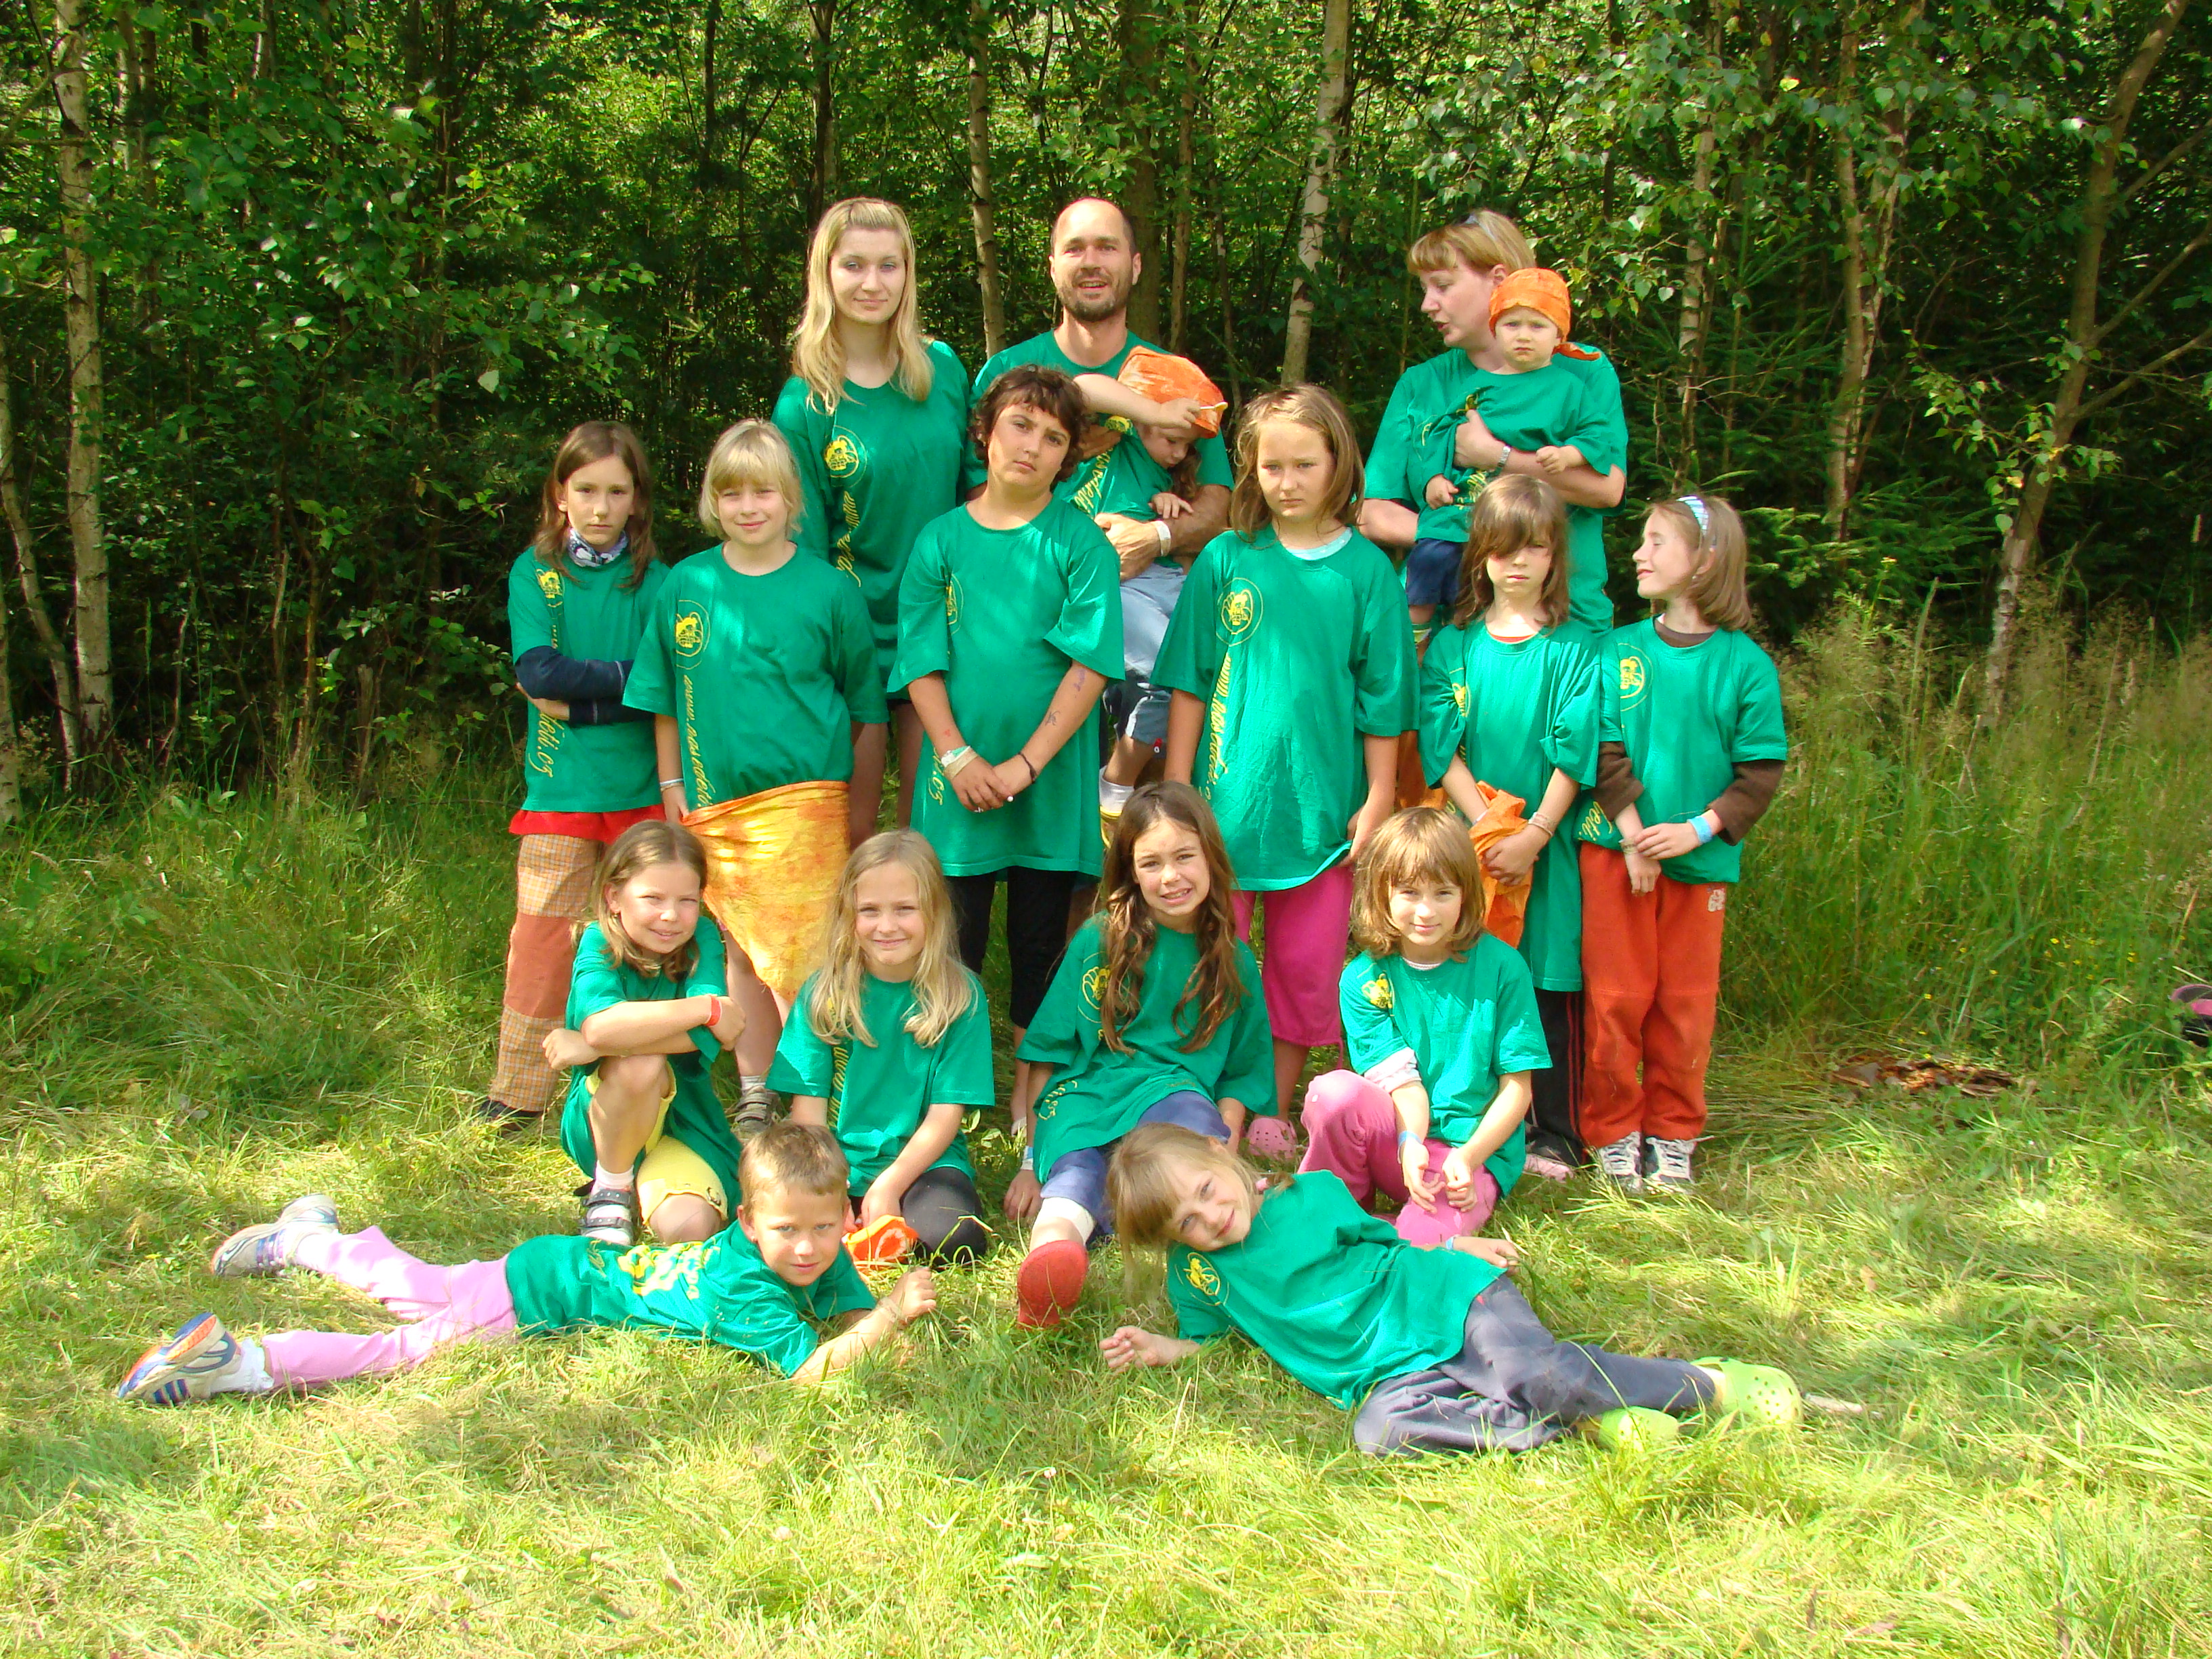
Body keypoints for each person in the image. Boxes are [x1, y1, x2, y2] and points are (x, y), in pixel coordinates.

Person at [1097, 1126, 1801, 1455]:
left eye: (1206, 1192)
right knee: (1381, 1434)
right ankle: (1584, 1421)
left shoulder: (1309, 1195)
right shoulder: (1199, 1275)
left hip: (1445, 1301)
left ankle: (1711, 1384)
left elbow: (1387, 1241)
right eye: (1186, 1224)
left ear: (1220, 1153)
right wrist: (1166, 1347)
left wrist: (1456, 1245)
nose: (1211, 1219)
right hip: (1388, 1374)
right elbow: (1213, 1339)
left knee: (1536, 1372)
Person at [114, 1124, 937, 1404]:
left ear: (844, 1218)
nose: (808, 1248)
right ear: (748, 1223)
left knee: (420, 1286)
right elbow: (810, 1373)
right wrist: (889, 1317)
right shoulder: (744, 1283)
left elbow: (842, 1307)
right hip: (544, 1296)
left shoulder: (810, 1252)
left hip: (559, 1262)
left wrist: (872, 1323)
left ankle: (306, 1237)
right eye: (788, 1230)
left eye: (824, 1228)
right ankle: (243, 1364)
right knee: (400, 1351)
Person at [1156, 384, 1416, 1118]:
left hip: (1322, 818)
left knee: (1305, 969)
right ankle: (1204, 1096)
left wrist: (1379, 796)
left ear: (1339, 464)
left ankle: (1270, 1106)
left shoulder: (1366, 571)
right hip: (1225, 811)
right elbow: (1188, 683)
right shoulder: (1225, 559)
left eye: (1306, 465)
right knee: (1210, 962)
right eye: (1272, 466)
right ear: (1251, 469)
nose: (1288, 482)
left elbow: (1383, 701)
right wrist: (1177, 792)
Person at [625, 420, 888, 1137]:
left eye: (763, 492)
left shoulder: (829, 590)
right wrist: (673, 790)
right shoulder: (687, 585)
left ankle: (817, 1093)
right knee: (740, 948)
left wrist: (860, 814)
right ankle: (756, 1088)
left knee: (809, 954)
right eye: (731, 493)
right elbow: (663, 699)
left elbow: (867, 711)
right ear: (712, 501)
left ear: (791, 498)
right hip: (717, 811)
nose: (747, 507)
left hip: (807, 808)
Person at [892, 365, 1122, 1129]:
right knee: (949, 939)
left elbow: (1090, 666)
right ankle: (943, 1096)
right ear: (985, 432)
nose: (1033, 446)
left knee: (1039, 942)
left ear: (1069, 458)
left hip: (1047, 785)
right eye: (1020, 425)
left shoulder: (1080, 543)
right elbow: (920, 660)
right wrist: (957, 757)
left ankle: (1033, 1100)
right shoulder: (940, 540)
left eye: (1054, 438)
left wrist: (1026, 764)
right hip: (954, 784)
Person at [1575, 493, 1788, 1193]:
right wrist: (1636, 837)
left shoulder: (1746, 665)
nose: (1639, 553)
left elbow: (1759, 773)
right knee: (1615, 1000)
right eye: (1641, 539)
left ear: (1706, 559)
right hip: (1616, 854)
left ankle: (1673, 1133)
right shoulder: (1617, 649)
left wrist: (1696, 829)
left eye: (1657, 541)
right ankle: (1613, 1131)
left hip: (1700, 867)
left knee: (1685, 1006)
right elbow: (1600, 747)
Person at [1004, 783, 1275, 1328]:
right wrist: (1031, 1163)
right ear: (1130, 872)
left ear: (1211, 856)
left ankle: (1222, 1244)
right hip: (1088, 1092)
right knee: (1075, 1173)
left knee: (1187, 1142)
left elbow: (1240, 1074)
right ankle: (1053, 1258)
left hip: (1171, 1095)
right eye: (1151, 864)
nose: (1170, 877)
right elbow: (1049, 1052)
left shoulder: (1234, 960)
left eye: (1184, 857)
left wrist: (1223, 1153)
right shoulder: (1101, 938)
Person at [480, 422, 667, 1132]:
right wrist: (622, 687)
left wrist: (582, 702)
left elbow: (662, 683)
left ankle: (641, 1087)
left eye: (617, 492)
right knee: (541, 939)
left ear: (636, 499)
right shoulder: (537, 572)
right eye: (586, 490)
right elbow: (538, 672)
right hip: (559, 790)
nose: (600, 507)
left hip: (643, 789)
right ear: (560, 494)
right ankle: (520, 1090)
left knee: (645, 938)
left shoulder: (659, 580)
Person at [1418, 476, 1599, 1174]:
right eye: (1502, 548)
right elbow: (1442, 748)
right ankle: (1479, 1122)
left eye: (1534, 548)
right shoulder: (1453, 646)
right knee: (1474, 976)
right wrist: (1492, 831)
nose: (1518, 562)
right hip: (1472, 845)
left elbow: (1576, 748)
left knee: (1547, 977)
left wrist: (1534, 835)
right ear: (1481, 555)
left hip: (1547, 847)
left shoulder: (1577, 648)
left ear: (1556, 555)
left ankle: (1556, 1130)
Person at [775, 198, 972, 827]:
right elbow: (801, 544)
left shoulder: (942, 369)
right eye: (854, 265)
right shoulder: (804, 403)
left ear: (908, 273)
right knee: (850, 828)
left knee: (927, 826)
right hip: (851, 625)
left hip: (940, 618)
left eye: (889, 265)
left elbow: (977, 491)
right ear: (825, 272)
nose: (872, 283)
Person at [1359, 212, 1628, 636]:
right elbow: (1372, 512)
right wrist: (1470, 540)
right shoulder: (1422, 384)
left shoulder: (1581, 369)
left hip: (1561, 623)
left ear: (1499, 281)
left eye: (1442, 286)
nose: (1428, 304)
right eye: (1425, 289)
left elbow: (1608, 488)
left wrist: (1497, 457)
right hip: (1442, 624)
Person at [1298, 808, 1548, 1246]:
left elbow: (1518, 1090)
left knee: (1420, 1250)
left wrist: (1469, 1158)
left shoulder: (1504, 968)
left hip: (1466, 1156)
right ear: (1382, 893)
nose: (1426, 911)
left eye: (1443, 893)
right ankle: (1338, 1208)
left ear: (1466, 893)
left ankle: (1406, 1237)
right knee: (1332, 1093)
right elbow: (1402, 1082)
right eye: (1410, 892)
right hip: (1400, 1141)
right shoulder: (1362, 978)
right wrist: (1410, 1140)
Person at [966, 198, 1233, 587]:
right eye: (1074, 248)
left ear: (1136, 266)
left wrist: (1155, 538)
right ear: (1053, 268)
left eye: (1107, 247)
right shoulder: (1008, 372)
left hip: (1148, 589)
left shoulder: (1177, 379)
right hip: (1033, 586)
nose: (1091, 262)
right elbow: (977, 494)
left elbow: (1216, 503)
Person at [770, 831, 996, 1267]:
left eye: (905, 909)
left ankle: (881, 1226)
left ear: (934, 912)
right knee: (787, 1224)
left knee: (958, 1240)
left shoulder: (961, 996)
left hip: (923, 1164)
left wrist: (891, 1185)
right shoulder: (824, 993)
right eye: (870, 911)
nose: (887, 927)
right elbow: (809, 1115)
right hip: (834, 1159)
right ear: (848, 914)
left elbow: (945, 1116)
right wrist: (830, 1189)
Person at [543, 821, 747, 1248]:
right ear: (614, 897)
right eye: (653, 898)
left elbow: (717, 1036)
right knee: (640, 1064)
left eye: (687, 901)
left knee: (690, 1230)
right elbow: (603, 1026)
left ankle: (644, 1189)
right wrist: (705, 1009)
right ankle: (611, 1187)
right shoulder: (599, 940)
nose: (671, 915)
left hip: (682, 1123)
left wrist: (592, 1046)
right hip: (602, 1121)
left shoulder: (702, 936)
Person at [1076, 417, 1201, 821]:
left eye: (1187, 446)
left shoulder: (1158, 472)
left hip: (1168, 580)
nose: (1179, 453)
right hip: (1122, 586)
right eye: (1172, 439)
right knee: (1168, 674)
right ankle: (1115, 784)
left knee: (1197, 674)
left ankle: (1156, 789)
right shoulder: (1110, 449)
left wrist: (1165, 507)